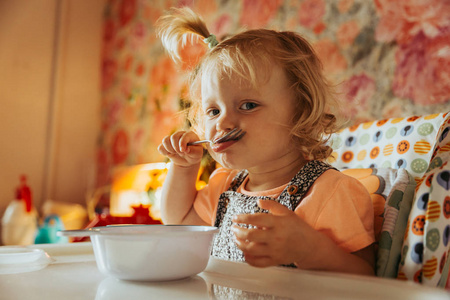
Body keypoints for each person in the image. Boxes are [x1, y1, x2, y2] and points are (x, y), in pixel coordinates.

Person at [156, 7, 375, 275]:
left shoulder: (331, 192)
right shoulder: (224, 186)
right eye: (213, 111)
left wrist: (311, 250)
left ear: (301, 112)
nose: (223, 123)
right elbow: (177, 221)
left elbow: (366, 277)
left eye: (248, 105)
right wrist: (183, 168)